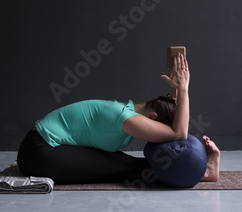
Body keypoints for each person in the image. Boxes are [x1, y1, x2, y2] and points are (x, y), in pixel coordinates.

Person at [16, 53, 221, 184]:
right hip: (40, 153)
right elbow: (179, 133)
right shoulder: (124, 117)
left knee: (122, 162)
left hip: (44, 146)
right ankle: (201, 174)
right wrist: (184, 89)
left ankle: (202, 173)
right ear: (152, 117)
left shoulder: (126, 110)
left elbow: (174, 122)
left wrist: (176, 90)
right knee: (126, 166)